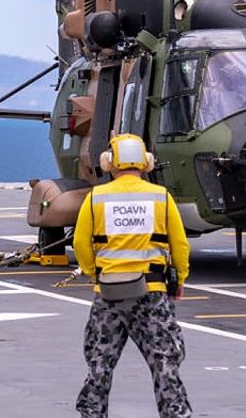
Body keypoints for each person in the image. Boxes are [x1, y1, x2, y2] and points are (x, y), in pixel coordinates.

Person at [73, 133, 192, 418]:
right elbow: (180, 245)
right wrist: (180, 279)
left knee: (100, 362)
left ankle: (92, 413)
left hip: (109, 294)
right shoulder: (160, 196)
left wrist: (94, 274)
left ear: (109, 162)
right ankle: (176, 413)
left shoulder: (96, 198)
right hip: (152, 293)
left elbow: (80, 243)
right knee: (165, 361)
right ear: (146, 162)